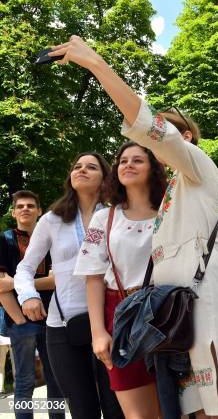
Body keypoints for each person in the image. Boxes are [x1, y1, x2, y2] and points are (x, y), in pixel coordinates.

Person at [48, 35, 218, 418]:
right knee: (197, 409)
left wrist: (97, 64)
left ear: (185, 138)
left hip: (203, 300)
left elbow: (147, 124)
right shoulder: (170, 191)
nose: (150, 147)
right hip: (174, 314)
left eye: (164, 135)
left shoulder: (197, 170)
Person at [15, 153, 123, 419]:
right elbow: (25, 268)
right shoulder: (51, 220)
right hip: (62, 327)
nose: (82, 170)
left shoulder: (117, 215)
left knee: (116, 408)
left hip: (112, 322)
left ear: (105, 177)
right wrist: (28, 296)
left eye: (91, 167)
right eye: (77, 166)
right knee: (82, 409)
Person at [73, 141, 166, 418]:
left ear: (153, 168)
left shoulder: (169, 212)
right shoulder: (104, 218)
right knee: (138, 414)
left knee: (176, 407)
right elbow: (92, 278)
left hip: (167, 313)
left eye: (137, 160)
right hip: (122, 317)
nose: (128, 165)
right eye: (123, 161)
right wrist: (98, 332)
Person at [0, 191, 62, 419]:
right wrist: (18, 319)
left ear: (40, 211)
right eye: (21, 206)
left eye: (31, 205)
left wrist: (14, 283)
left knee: (56, 379)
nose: (25, 209)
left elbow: (58, 281)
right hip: (20, 322)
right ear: (14, 212)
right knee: (25, 381)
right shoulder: (4, 240)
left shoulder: (51, 240)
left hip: (54, 318)